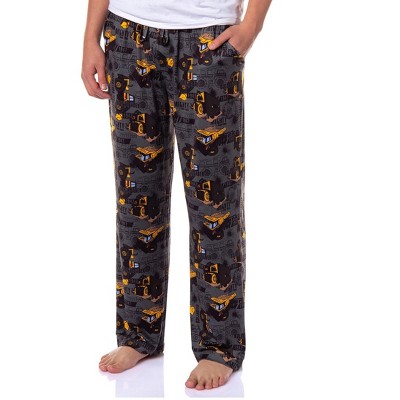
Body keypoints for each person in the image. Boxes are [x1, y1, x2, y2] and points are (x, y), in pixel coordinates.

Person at [82, 0, 271, 391]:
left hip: (209, 39)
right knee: (136, 199)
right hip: (129, 33)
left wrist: (251, 26)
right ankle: (138, 334)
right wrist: (90, 39)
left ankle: (219, 347)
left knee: (215, 204)